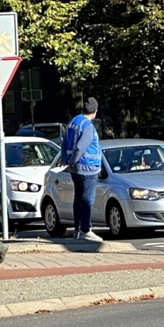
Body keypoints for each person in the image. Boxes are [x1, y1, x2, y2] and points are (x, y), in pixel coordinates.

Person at [62, 97, 103, 242]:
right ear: (95, 111)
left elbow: (65, 142)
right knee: (87, 200)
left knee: (78, 198)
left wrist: (66, 161)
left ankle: (77, 230)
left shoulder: (73, 122)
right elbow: (81, 147)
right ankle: (86, 229)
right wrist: (73, 161)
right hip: (88, 166)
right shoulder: (88, 126)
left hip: (76, 169)